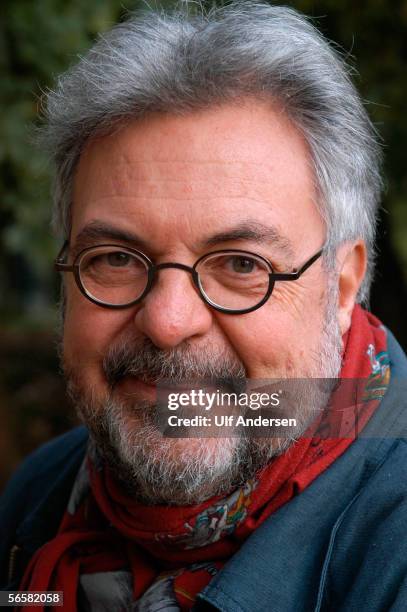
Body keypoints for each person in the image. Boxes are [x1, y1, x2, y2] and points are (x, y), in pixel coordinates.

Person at [1, 2, 406, 610]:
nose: (167, 322)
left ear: (343, 285)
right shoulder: (39, 496)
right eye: (115, 258)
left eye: (242, 265)